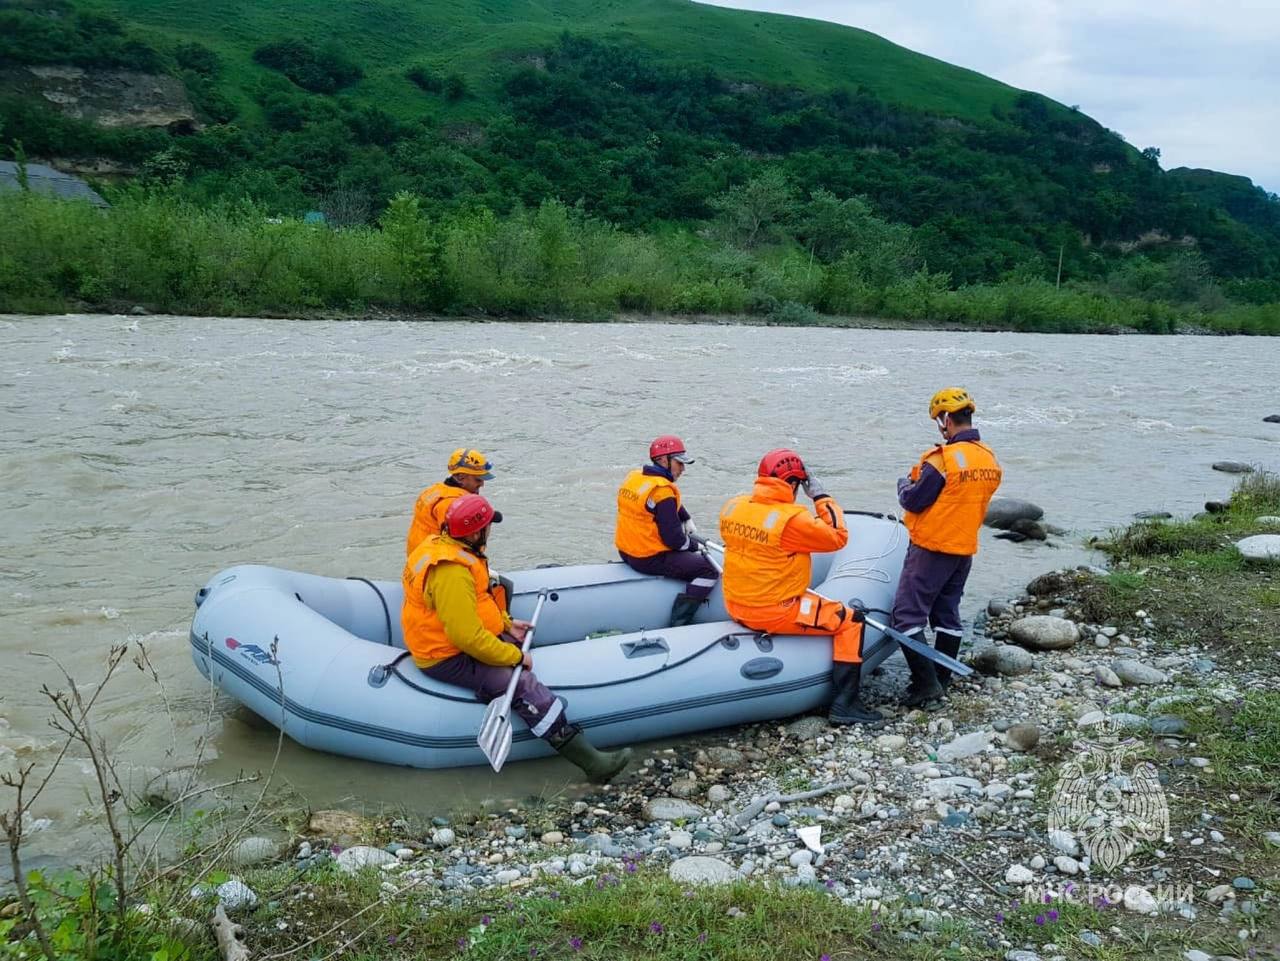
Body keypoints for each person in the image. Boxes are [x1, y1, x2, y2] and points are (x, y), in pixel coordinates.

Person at [402, 493, 633, 783]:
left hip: (443, 639)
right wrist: (515, 657)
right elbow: (467, 637)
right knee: (523, 684)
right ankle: (593, 764)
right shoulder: (451, 572)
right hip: (445, 656)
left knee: (513, 649)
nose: (490, 529)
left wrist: (506, 624)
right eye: (487, 525)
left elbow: (479, 604)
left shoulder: (438, 545)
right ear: (474, 531)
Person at [719, 449, 881, 725]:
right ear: (793, 484)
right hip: (774, 610)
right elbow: (838, 536)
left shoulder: (734, 506)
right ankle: (846, 703)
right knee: (852, 621)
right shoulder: (791, 520)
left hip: (735, 603)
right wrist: (821, 496)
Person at [892, 387, 1002, 707]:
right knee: (946, 615)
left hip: (932, 547)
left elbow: (913, 499)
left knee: (907, 616)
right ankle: (942, 678)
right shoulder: (988, 458)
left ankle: (925, 686)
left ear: (945, 420)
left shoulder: (943, 460)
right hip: (963, 548)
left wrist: (903, 483)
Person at [614, 435, 720, 627]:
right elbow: (675, 541)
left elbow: (657, 504)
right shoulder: (662, 492)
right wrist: (695, 546)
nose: (683, 469)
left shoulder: (636, 478)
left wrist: (685, 517)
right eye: (679, 463)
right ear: (664, 460)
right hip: (648, 558)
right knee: (709, 570)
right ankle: (679, 621)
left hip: (626, 552)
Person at [406, 448, 494, 557]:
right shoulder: (453, 505)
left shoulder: (434, 490)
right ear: (461, 476)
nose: (482, 484)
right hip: (436, 561)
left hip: (419, 557)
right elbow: (463, 541)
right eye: (478, 479)